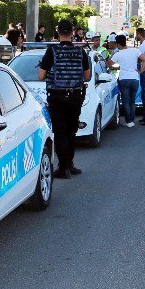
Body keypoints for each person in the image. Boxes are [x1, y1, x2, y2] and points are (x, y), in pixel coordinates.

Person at [38, 19, 91, 179]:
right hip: (75, 96)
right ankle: (70, 164)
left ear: (58, 32)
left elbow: (41, 76)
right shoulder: (80, 51)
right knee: (71, 131)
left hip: (57, 97)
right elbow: (87, 76)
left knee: (60, 132)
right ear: (72, 32)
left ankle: (63, 168)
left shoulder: (51, 51)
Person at [107, 34, 145, 127]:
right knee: (133, 101)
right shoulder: (135, 51)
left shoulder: (118, 54)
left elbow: (109, 64)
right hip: (135, 78)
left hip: (124, 79)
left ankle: (128, 121)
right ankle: (132, 120)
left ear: (118, 44)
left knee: (125, 101)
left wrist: (118, 65)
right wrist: (141, 70)